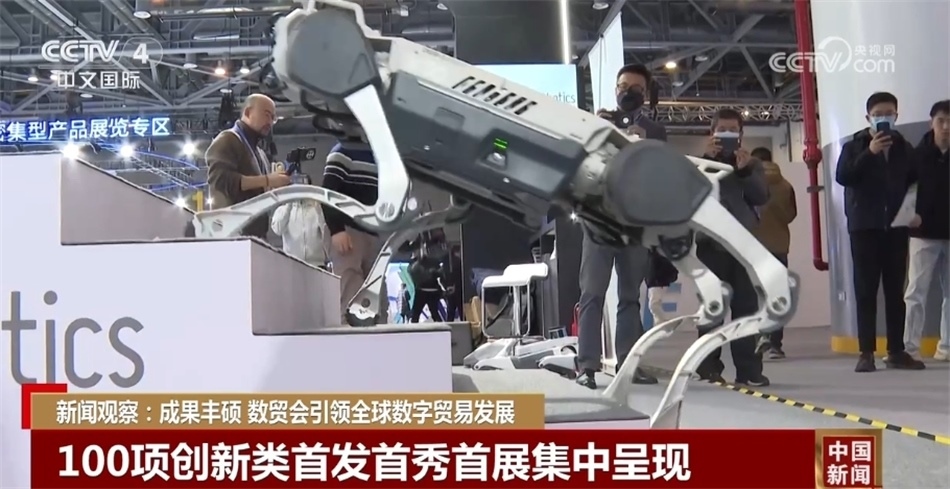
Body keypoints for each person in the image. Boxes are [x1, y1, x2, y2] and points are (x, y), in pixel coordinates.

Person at [575, 64, 667, 389]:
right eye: (623, 86)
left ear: (646, 92)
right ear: (615, 89)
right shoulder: (597, 123)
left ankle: (628, 365)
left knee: (630, 297)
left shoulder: (655, 131)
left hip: (634, 223)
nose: (628, 92)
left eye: (636, 88)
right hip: (598, 221)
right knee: (592, 293)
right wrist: (595, 133)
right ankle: (586, 366)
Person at [835, 91, 922, 372]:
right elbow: (843, 176)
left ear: (896, 115)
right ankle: (866, 353)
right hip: (864, 227)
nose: (883, 118)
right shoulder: (854, 146)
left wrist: (913, 211)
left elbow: (914, 182)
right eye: (877, 114)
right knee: (865, 290)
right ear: (868, 117)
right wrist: (869, 153)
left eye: (888, 114)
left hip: (896, 227)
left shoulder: (904, 147)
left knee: (895, 291)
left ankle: (896, 351)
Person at [695, 109, 770, 386]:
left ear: (741, 134)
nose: (727, 135)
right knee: (712, 310)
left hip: (744, 246)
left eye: (732, 130)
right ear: (712, 132)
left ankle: (749, 370)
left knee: (747, 310)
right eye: (722, 130)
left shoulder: (752, 164)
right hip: (711, 244)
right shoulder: (700, 163)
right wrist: (708, 162)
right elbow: (693, 195)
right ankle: (708, 367)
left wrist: (745, 170)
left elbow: (761, 196)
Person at [206, 94, 291, 239]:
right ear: (247, 112)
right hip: (231, 235)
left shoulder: (260, 153)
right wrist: (268, 180)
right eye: (266, 115)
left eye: (273, 118)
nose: (270, 122)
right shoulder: (227, 140)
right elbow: (221, 180)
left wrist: (275, 186)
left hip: (255, 236)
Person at [322, 137, 387, 324]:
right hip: (348, 230)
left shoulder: (378, 156)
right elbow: (327, 193)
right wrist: (337, 230)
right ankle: (348, 336)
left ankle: (382, 336)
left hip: (372, 232)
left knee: (378, 296)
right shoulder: (342, 152)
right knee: (350, 294)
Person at [904, 100, 950, 362]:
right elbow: (904, 189)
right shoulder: (916, 156)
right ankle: (910, 348)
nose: (946, 126)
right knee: (915, 293)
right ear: (932, 123)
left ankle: (947, 347)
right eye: (941, 120)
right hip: (923, 235)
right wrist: (911, 214)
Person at [749, 147, 798, 360]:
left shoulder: (748, 183)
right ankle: (776, 345)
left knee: (753, 296)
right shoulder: (786, 186)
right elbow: (791, 215)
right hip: (779, 246)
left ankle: (757, 338)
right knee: (777, 296)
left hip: (753, 247)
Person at [270, 174, 328, 268]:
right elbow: (278, 230)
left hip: (317, 264)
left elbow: (326, 232)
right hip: (291, 263)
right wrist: (289, 203)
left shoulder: (317, 209)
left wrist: (318, 208)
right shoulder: (282, 210)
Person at [441, 245, 464, 321]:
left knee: (450, 311)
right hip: (458, 290)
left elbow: (442, 277)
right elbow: (460, 276)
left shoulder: (445, 263)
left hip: (450, 289)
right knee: (461, 311)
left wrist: (446, 286)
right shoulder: (459, 262)